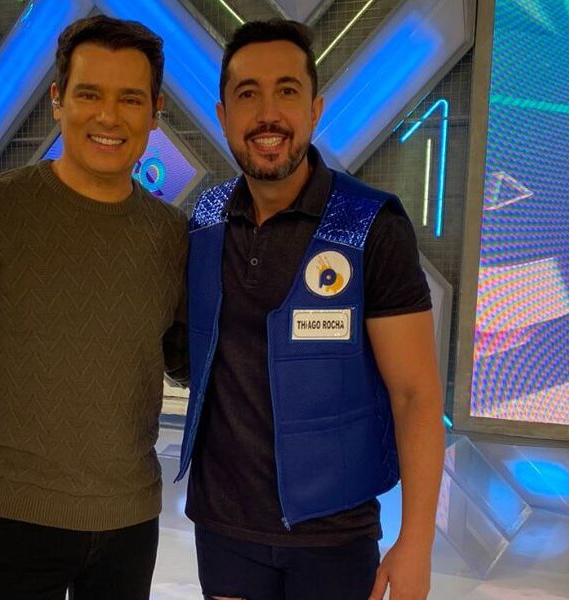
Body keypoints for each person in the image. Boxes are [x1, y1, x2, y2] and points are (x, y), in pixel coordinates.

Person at [0, 14, 188, 600]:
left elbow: (187, 361)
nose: (109, 117)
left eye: (131, 99)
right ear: (58, 100)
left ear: (155, 112)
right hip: (16, 521)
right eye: (89, 94)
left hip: (131, 522)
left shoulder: (172, 234)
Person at [176, 19, 444, 600]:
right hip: (224, 527)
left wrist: (417, 540)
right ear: (223, 114)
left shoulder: (371, 225)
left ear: (315, 109)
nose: (268, 114)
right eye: (248, 94)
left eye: (287, 91)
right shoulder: (205, 220)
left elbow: (416, 395)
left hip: (334, 533)